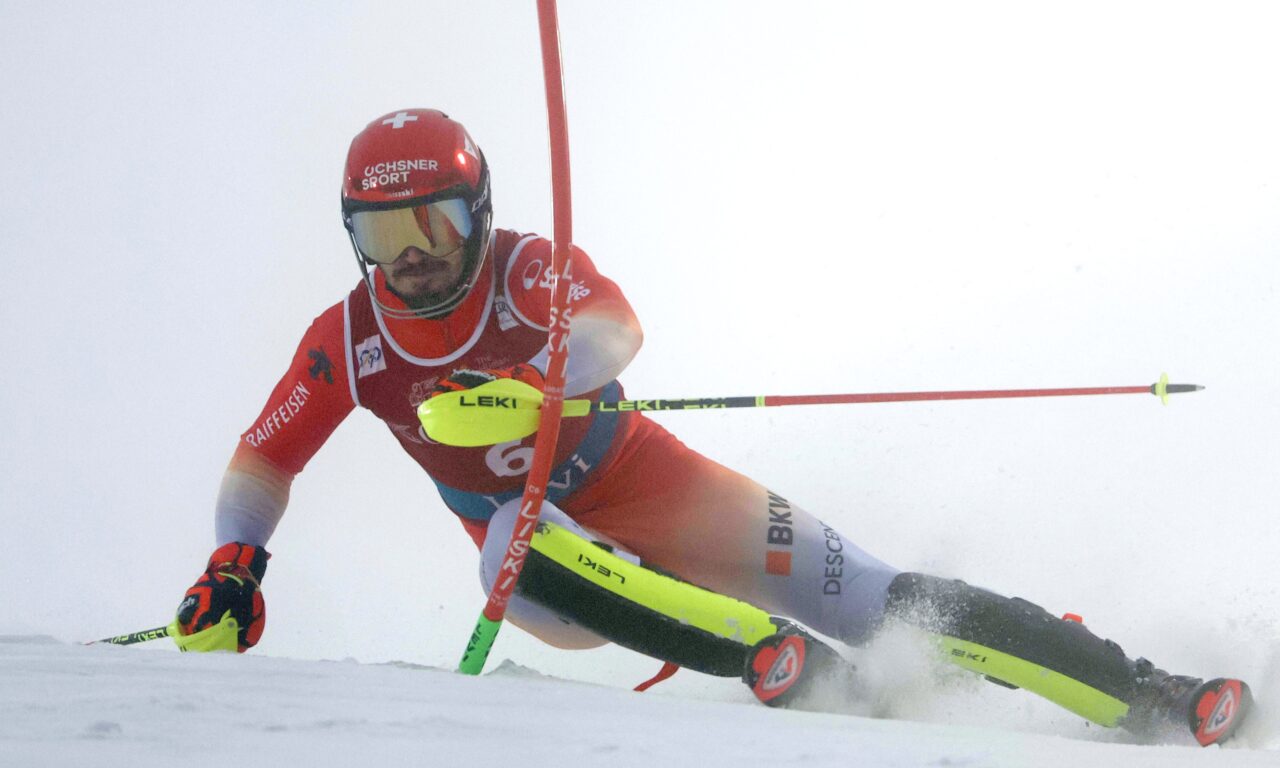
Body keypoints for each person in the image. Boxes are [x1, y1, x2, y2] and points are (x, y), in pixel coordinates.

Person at [173, 108, 1250, 745]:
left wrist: (546, 379)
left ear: (478, 215)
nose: (411, 255)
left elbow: (615, 327)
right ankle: (765, 657)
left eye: (433, 224)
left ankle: (1147, 693)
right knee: (508, 541)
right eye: (382, 234)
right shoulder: (348, 338)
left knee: (882, 599)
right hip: (546, 564)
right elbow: (266, 456)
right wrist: (235, 563)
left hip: (654, 483)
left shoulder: (523, 267)